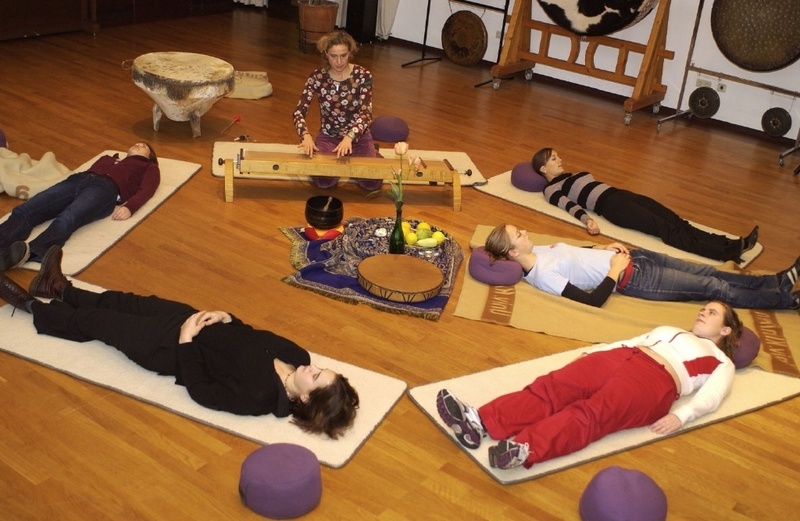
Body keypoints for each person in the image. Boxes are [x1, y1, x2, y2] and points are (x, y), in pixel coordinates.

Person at [0, 245, 359, 439]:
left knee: (100, 323)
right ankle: (59, 288)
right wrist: (226, 316)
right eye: (321, 369)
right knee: (123, 301)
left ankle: (30, 306)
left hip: (167, 348)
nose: (312, 367)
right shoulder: (297, 356)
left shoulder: (259, 398)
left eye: (315, 376)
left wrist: (186, 342)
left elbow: (202, 391)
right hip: (192, 316)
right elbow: (254, 334)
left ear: (307, 397)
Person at [436, 301, 745, 469]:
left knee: (592, 414)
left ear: (726, 329)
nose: (703, 312)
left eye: (713, 312)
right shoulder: (668, 329)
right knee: (552, 386)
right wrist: (595, 353)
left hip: (655, 382)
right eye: (703, 308)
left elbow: (714, 396)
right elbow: (630, 341)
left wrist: (683, 415)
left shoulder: (721, 360)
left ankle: (525, 449)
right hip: (622, 357)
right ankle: (478, 421)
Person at [484, 223, 800, 310]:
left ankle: (777, 281)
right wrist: (613, 269)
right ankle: (786, 300)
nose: (526, 232)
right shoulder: (543, 276)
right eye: (519, 234)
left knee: (710, 272)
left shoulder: (538, 249)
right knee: (712, 288)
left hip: (637, 257)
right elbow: (592, 300)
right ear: (512, 252)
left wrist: (601, 248)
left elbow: (573, 254)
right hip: (636, 278)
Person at [532, 148, 758, 262]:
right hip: (613, 208)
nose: (559, 159)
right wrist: (588, 220)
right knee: (665, 229)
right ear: (543, 169)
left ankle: (730, 244)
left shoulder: (573, 174)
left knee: (676, 220)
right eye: (553, 158)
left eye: (558, 156)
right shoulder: (551, 189)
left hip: (621, 194)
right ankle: (723, 253)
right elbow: (568, 206)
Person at [0, 143, 161, 270]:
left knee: (67, 218)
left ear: (150, 157)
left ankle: (29, 253)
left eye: (144, 146)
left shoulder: (149, 168)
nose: (138, 145)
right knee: (27, 209)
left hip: (105, 189)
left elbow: (147, 190)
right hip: (77, 180)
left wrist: (130, 207)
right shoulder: (108, 157)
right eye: (136, 143)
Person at [292, 30, 382, 191]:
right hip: (329, 136)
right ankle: (350, 157)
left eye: (344, 55)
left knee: (371, 184)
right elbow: (299, 111)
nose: (339, 61)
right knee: (324, 181)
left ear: (350, 53)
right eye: (334, 56)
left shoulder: (363, 75)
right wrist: (305, 136)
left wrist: (349, 138)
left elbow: (366, 113)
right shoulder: (317, 77)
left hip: (358, 137)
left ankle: (372, 153)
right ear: (326, 54)